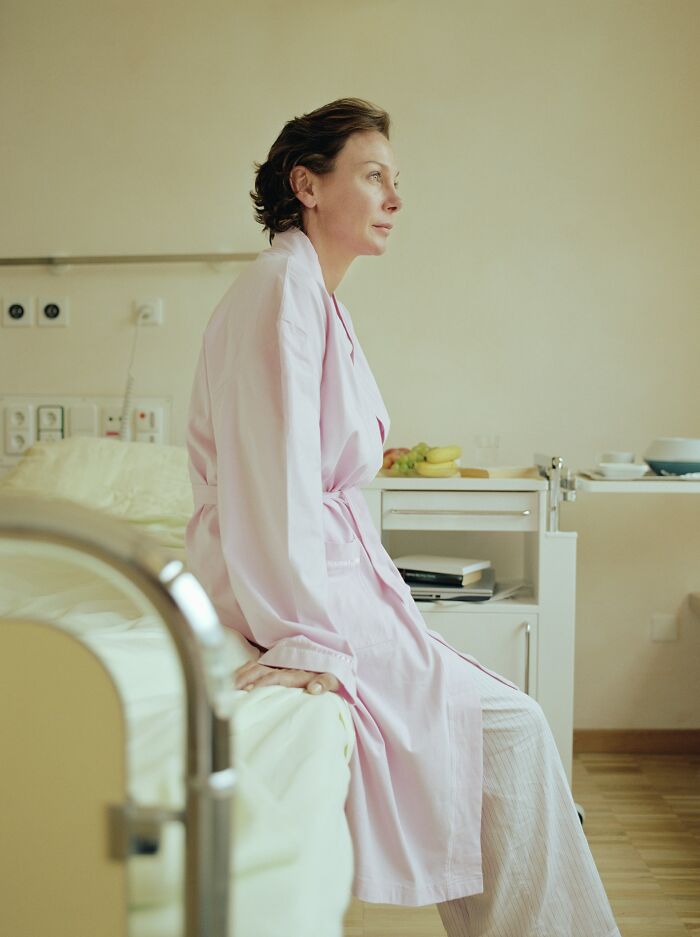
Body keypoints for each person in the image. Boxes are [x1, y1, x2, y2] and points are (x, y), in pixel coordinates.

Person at [185, 98, 621, 937]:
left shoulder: (311, 293)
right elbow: (268, 484)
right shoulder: (283, 290)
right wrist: (302, 636)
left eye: (398, 180)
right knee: (514, 727)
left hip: (326, 568)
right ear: (306, 184)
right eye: (373, 175)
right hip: (294, 582)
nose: (394, 196)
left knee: (503, 730)